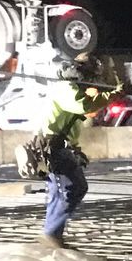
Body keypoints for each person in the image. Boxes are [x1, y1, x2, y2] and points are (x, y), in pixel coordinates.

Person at [40, 60, 110, 248]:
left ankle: (53, 234)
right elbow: (84, 107)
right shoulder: (66, 88)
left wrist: (75, 148)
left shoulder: (69, 88)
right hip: (53, 148)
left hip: (58, 146)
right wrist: (115, 94)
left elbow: (69, 124)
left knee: (60, 191)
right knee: (73, 189)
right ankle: (51, 236)